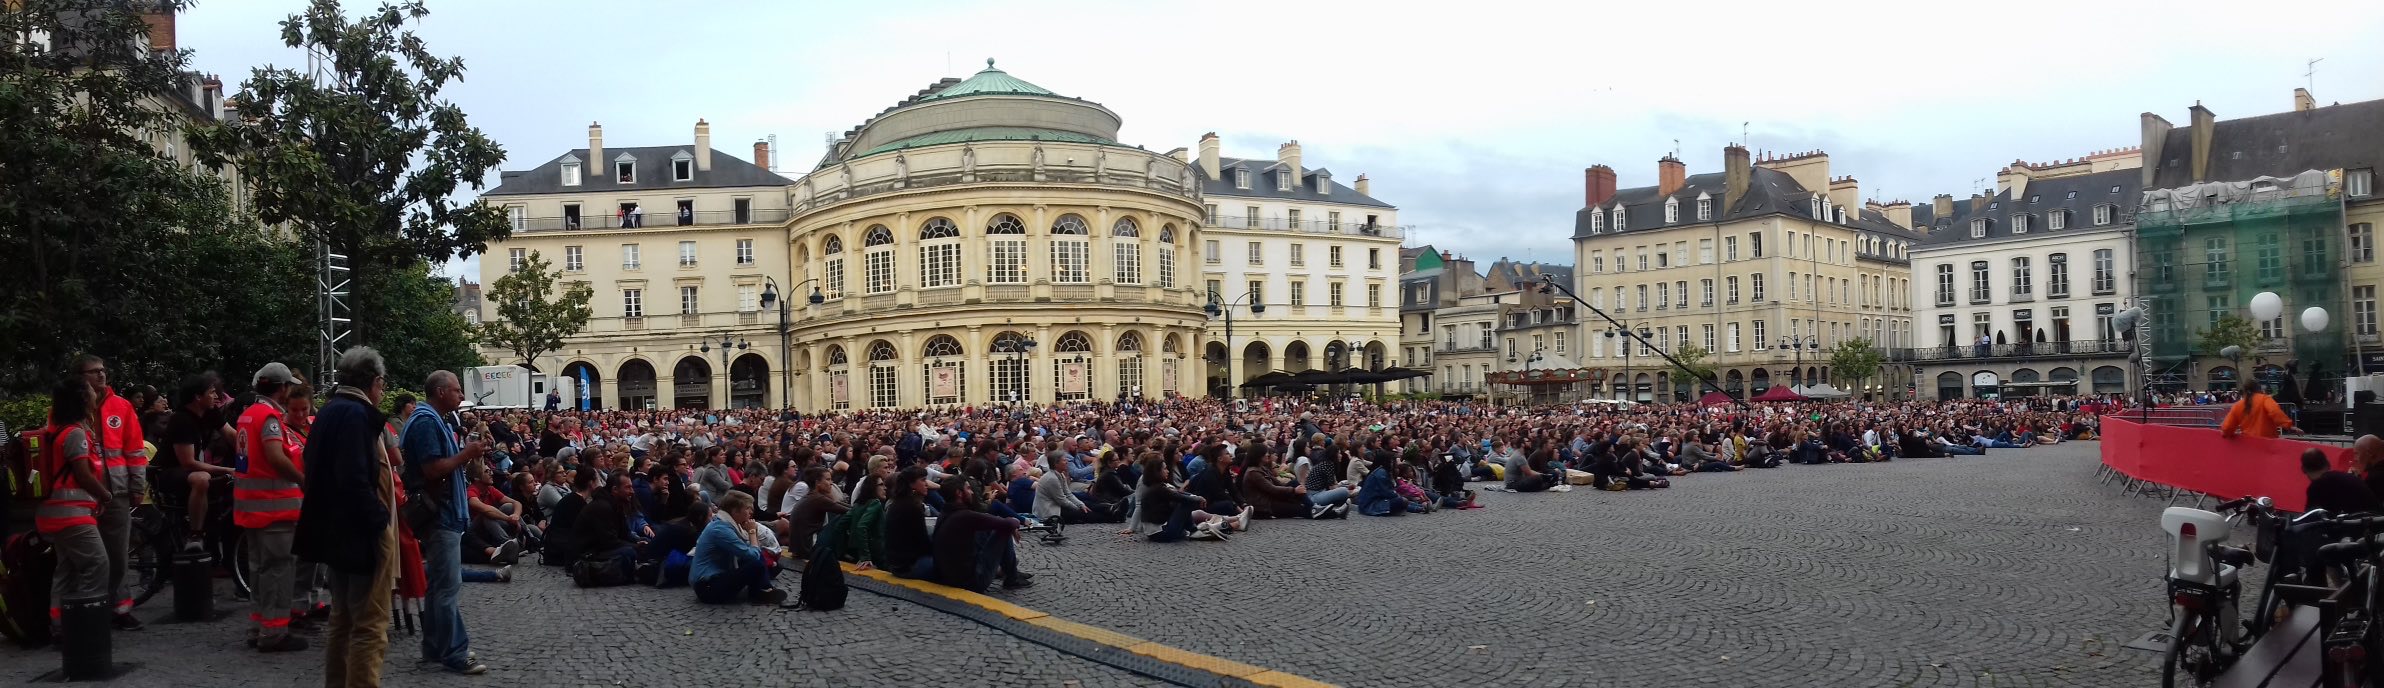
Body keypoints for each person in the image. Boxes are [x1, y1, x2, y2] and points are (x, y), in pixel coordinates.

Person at [295, 347, 399, 687]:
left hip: (332, 532)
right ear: (375, 382)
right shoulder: (356, 416)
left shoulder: (328, 412)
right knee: (369, 625)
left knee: (342, 619)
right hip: (358, 534)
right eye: (382, 386)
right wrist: (379, 521)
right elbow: (354, 478)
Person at [399, 370, 489, 675]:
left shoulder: (434, 419)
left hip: (445, 512)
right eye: (456, 390)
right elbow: (432, 469)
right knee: (448, 586)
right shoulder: (425, 421)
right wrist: (465, 455)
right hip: (440, 514)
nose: (461, 395)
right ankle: (455, 651)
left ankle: (434, 648)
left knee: (439, 586)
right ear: (440, 392)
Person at [235, 362, 308, 652]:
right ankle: (274, 632)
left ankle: (258, 626)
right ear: (281, 388)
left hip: (251, 508)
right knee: (278, 570)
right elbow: (276, 457)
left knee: (259, 570)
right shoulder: (270, 418)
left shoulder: (247, 416)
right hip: (274, 509)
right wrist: (302, 480)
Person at [70, 355, 147, 631]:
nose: (101, 375)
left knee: (117, 554)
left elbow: (135, 451)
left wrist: (137, 486)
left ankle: (119, 608)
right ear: (81, 377)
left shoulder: (122, 406)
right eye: (94, 372)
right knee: (88, 557)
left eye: (103, 370)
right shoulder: (69, 408)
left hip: (116, 490)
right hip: (80, 493)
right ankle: (88, 608)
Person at [35, 375, 109, 642]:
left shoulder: (60, 429)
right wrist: (106, 495)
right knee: (97, 564)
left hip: (55, 513)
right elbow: (83, 474)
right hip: (71, 515)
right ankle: (84, 623)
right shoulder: (75, 433)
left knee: (66, 570)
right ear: (81, 398)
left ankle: (59, 625)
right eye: (90, 390)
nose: (95, 392)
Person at [929, 479, 1033, 591]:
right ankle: (1012, 578)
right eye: (968, 488)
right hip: (972, 582)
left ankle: (1012, 573)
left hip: (949, 577)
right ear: (959, 493)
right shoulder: (964, 516)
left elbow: (989, 520)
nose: (972, 492)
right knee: (1004, 529)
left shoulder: (946, 512)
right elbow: (1010, 523)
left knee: (992, 528)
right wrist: (1011, 522)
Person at [690, 491, 785, 605]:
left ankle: (763, 589)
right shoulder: (721, 530)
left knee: (755, 559)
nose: (750, 512)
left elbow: (747, 550)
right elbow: (753, 555)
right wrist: (752, 532)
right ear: (735, 511)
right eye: (747, 508)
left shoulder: (722, 524)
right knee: (756, 563)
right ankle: (761, 591)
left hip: (712, 581)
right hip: (708, 588)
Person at [2303, 448, 2380, 515]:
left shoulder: (2317, 486)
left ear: (2303, 469)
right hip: (2375, 521)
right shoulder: (2345, 478)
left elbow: (2309, 519)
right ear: (2328, 464)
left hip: (2362, 526)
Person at [2221, 378, 2293, 439]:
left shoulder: (2238, 405)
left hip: (2248, 445)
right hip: (2268, 443)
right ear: (2259, 388)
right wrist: (2288, 425)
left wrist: (2227, 435)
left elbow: (2227, 428)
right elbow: (2274, 411)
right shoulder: (2265, 399)